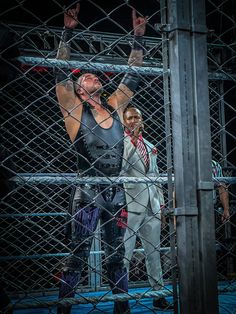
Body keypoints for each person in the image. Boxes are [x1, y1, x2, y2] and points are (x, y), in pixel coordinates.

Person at [55, 3, 147, 314]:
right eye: (85, 76)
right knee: (78, 255)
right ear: (79, 88)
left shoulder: (115, 107)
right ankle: (64, 308)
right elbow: (60, 72)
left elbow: (133, 76)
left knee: (116, 255)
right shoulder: (73, 109)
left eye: (95, 74)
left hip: (115, 191)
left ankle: (122, 308)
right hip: (87, 192)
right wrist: (67, 32)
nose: (91, 75)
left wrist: (138, 37)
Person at [121, 106, 173, 310]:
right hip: (130, 205)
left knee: (154, 253)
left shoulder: (150, 146)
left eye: (137, 117)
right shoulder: (121, 144)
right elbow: (121, 168)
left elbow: (157, 178)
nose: (134, 121)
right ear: (124, 122)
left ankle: (158, 295)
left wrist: (161, 207)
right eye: (130, 118)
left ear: (142, 120)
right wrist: (132, 142)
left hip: (152, 206)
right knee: (125, 253)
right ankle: (120, 298)